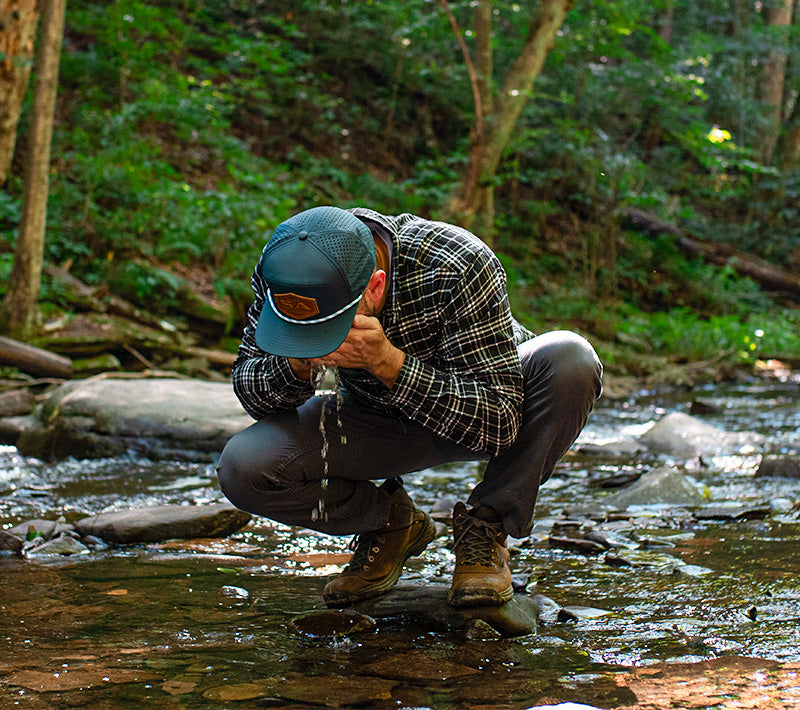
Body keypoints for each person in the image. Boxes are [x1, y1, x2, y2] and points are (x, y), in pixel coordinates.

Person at [217, 205, 602, 608]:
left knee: (571, 360)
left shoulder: (455, 263)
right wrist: (296, 362)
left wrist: (388, 363)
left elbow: (501, 423)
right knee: (245, 467)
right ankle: (391, 524)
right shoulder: (287, 268)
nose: (316, 339)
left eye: (328, 326)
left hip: (476, 402)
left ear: (375, 287)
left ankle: (486, 529)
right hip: (366, 418)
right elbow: (252, 392)